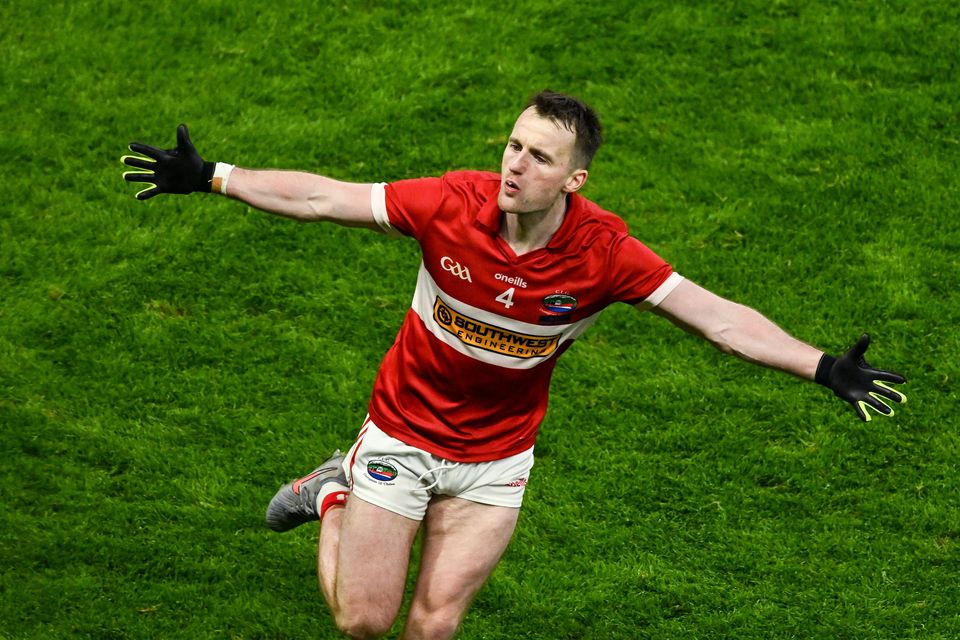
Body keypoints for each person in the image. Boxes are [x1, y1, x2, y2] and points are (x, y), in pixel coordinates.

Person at [121, 91, 906, 639]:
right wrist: (215, 177)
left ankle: (344, 494)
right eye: (514, 145)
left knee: (433, 626)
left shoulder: (603, 255)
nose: (515, 166)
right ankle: (334, 491)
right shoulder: (448, 205)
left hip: (494, 464)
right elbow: (326, 198)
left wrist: (822, 366)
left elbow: (718, 320)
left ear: (575, 179)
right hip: (400, 433)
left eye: (539, 157)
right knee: (364, 621)